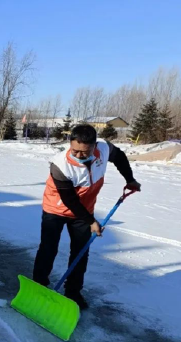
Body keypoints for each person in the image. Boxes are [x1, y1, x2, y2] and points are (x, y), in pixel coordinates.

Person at [32, 124, 141, 309]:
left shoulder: (104, 149)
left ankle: (73, 292)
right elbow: (70, 200)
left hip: (84, 210)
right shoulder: (60, 165)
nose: (79, 155)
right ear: (70, 144)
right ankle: (39, 286)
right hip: (56, 209)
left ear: (94, 146)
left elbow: (120, 157)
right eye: (75, 150)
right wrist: (91, 221)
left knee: (81, 252)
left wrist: (129, 179)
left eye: (85, 151)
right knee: (48, 249)